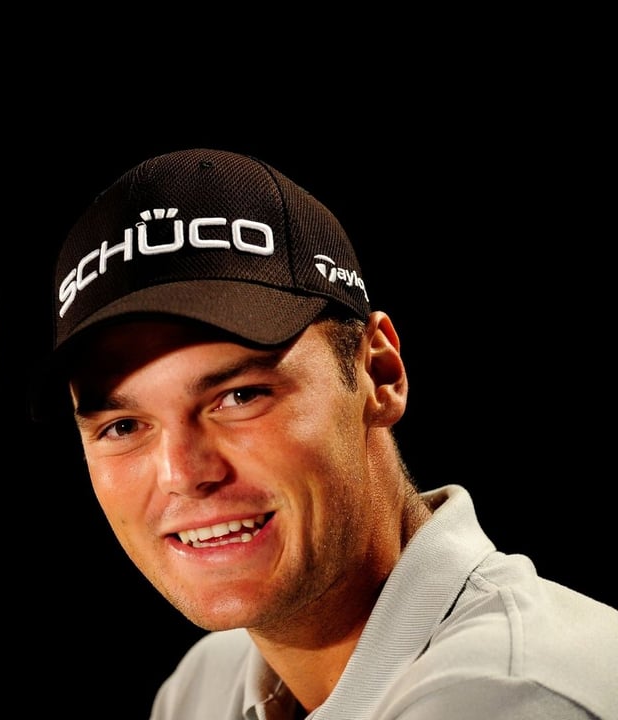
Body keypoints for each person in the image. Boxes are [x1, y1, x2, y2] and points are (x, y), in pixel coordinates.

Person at [33, 148, 618, 719]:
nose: (184, 474)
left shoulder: (508, 694)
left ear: (378, 374)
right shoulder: (203, 689)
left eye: (240, 396)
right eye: (124, 426)